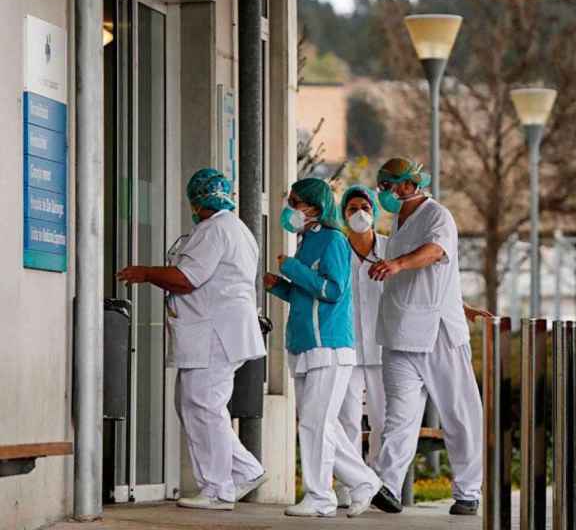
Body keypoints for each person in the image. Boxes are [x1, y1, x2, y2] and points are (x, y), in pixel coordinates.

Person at [117, 168, 267, 511]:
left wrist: (145, 273)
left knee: (203, 406)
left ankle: (217, 489)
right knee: (194, 404)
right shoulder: (235, 228)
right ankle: (244, 470)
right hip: (219, 330)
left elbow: (187, 278)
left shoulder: (215, 230)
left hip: (215, 332)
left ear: (198, 201)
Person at [367, 158, 491, 516]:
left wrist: (398, 264)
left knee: (459, 414)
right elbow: (435, 279)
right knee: (400, 417)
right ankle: (387, 486)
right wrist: (463, 303)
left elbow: (436, 253)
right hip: (399, 333)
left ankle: (468, 491)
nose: (384, 194)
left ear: (408, 185)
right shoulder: (398, 219)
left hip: (438, 333)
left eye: (388, 187)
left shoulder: (438, 216)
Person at [264, 178, 381, 518]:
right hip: (303, 345)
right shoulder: (307, 241)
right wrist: (280, 286)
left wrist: (293, 269)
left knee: (315, 424)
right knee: (320, 424)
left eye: (295, 201)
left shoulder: (333, 240)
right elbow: (306, 294)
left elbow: (333, 291)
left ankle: (320, 497)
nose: (290, 208)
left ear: (314, 207)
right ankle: (363, 482)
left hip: (328, 346)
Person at [334, 185, 388, 510]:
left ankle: (379, 484)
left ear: (374, 211)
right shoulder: (337, 248)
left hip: (384, 348)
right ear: (343, 214)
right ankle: (348, 485)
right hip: (347, 347)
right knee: (348, 421)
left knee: (384, 422)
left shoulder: (390, 248)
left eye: (364, 206)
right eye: (352, 208)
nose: (359, 213)